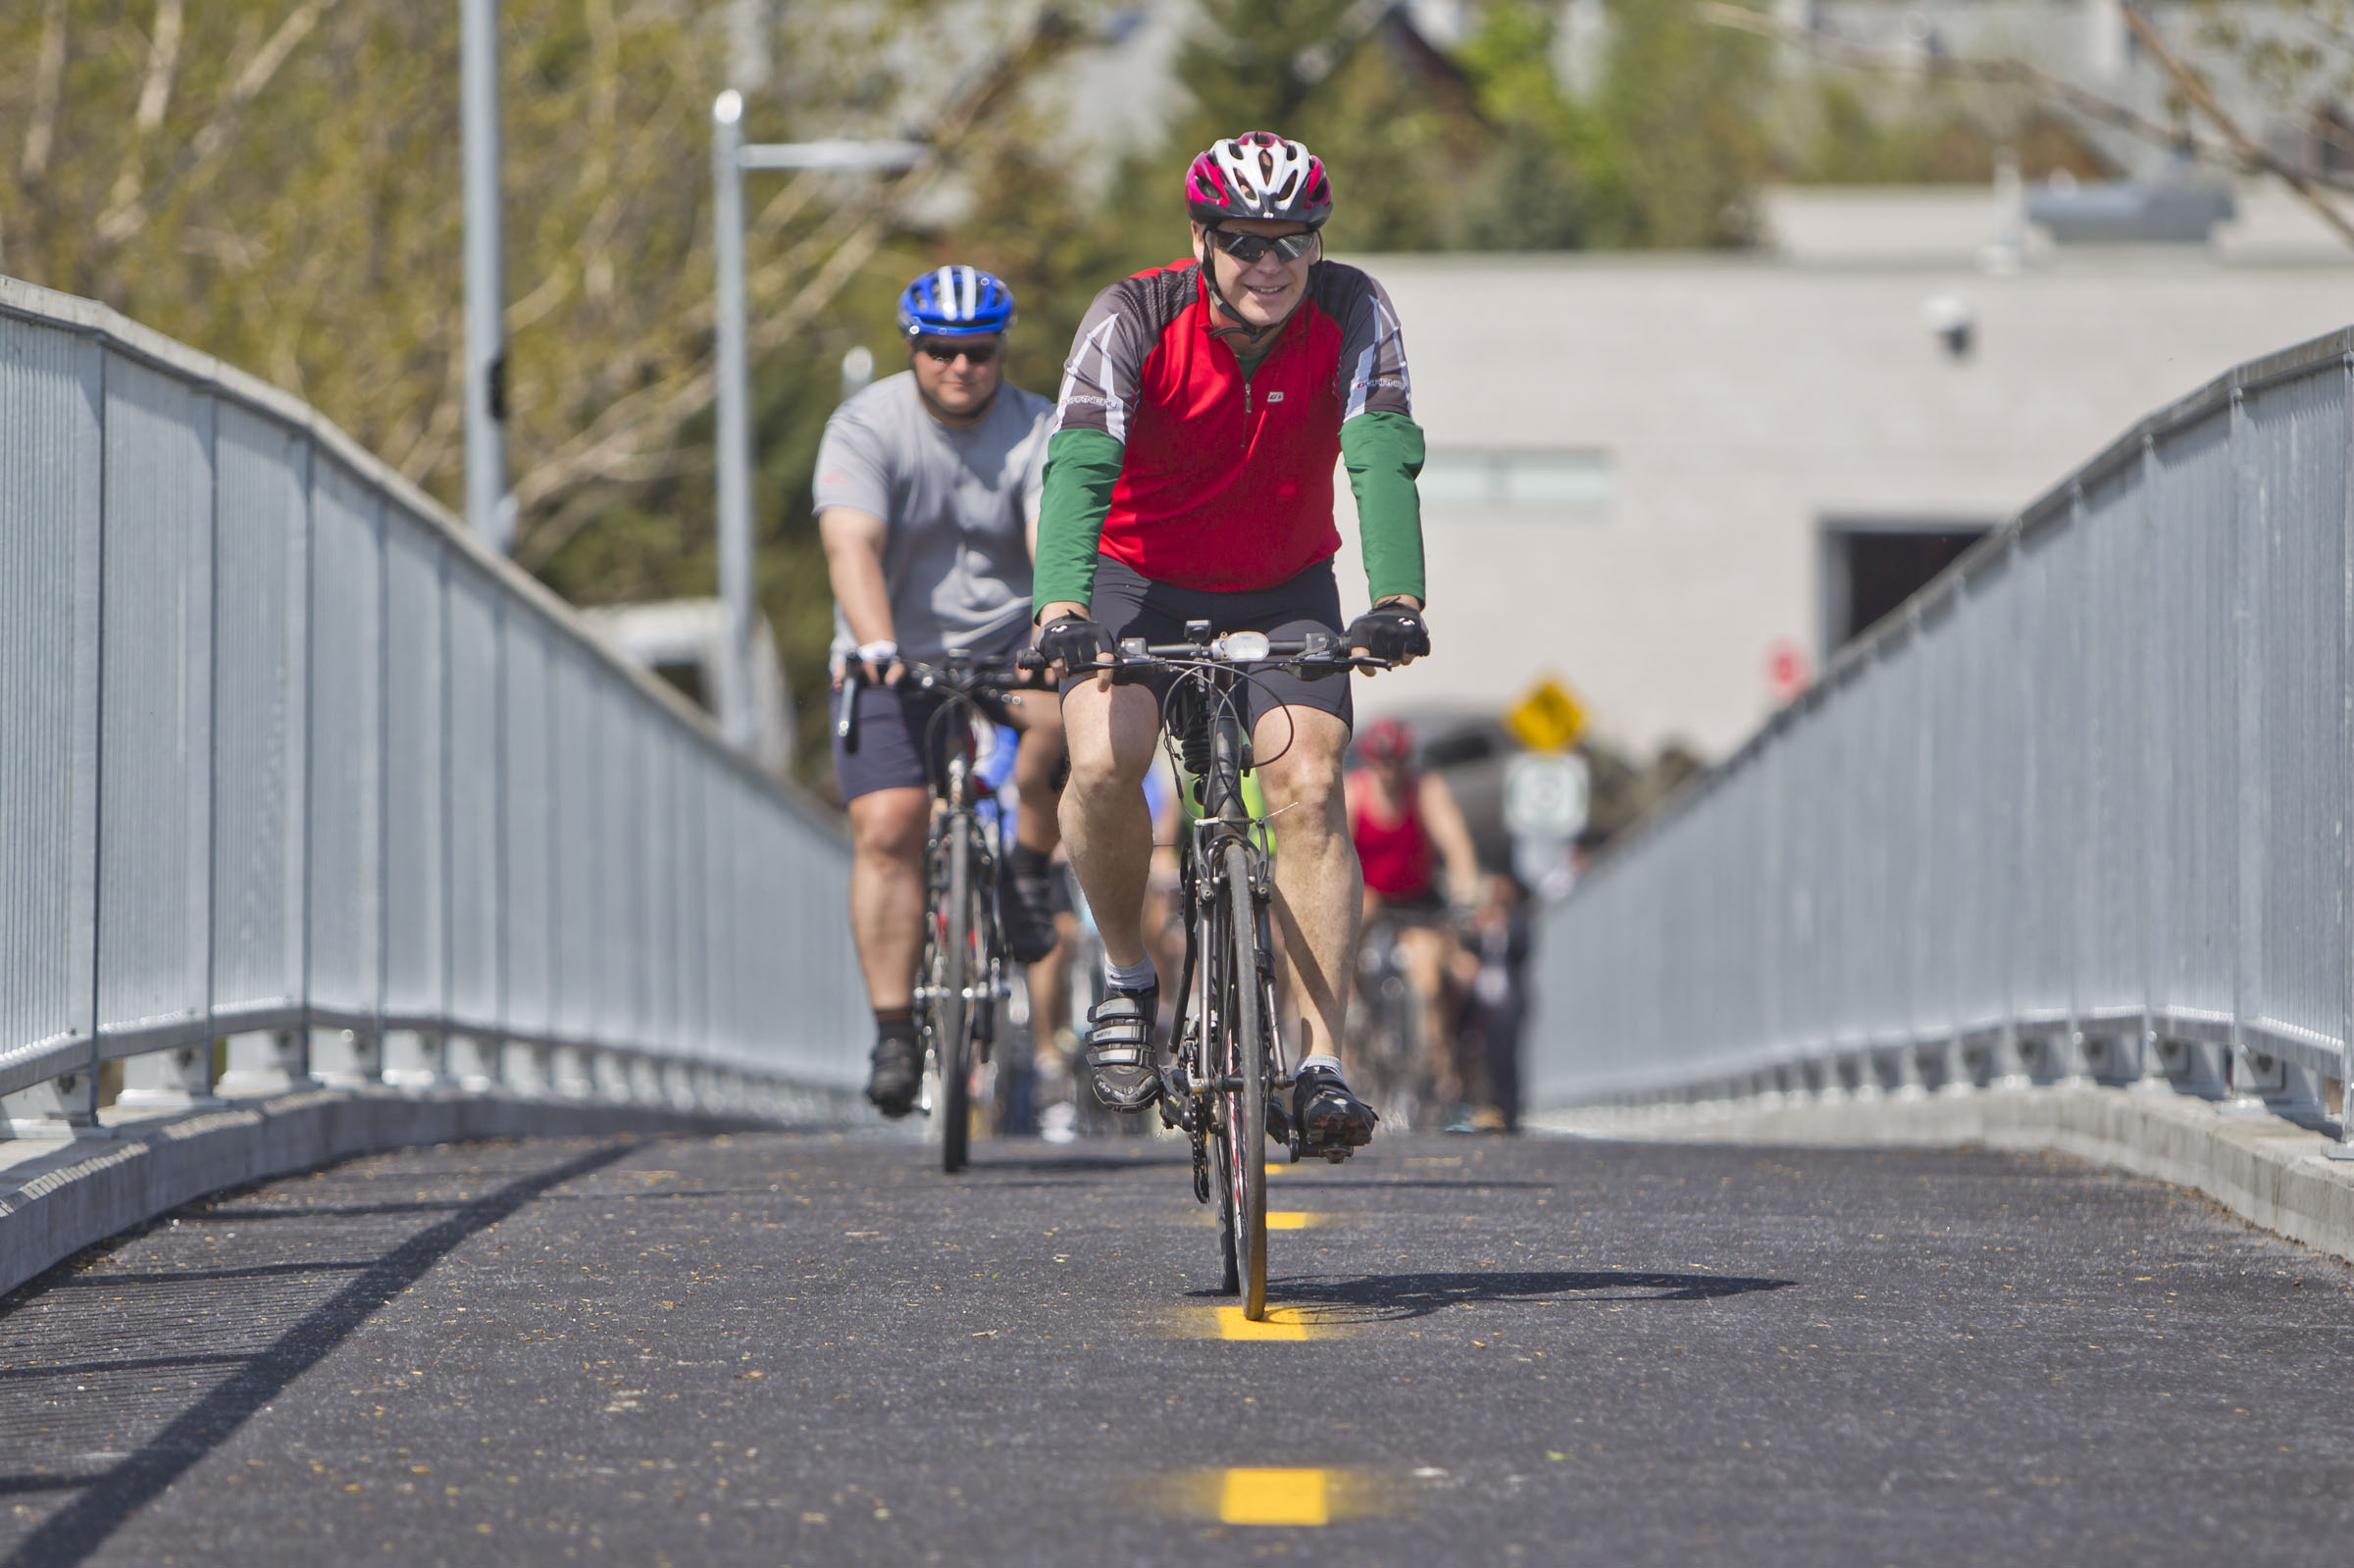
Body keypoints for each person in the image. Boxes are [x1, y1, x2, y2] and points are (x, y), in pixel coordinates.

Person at [1030, 130, 1431, 1156]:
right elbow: (1077, 467)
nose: (1273, 263)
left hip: (1286, 581)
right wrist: (1061, 612)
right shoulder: (1134, 317)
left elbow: (1382, 456)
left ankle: (1317, 1063)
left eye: (1294, 240)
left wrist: (1395, 599)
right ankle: (1126, 975)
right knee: (1106, 755)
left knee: (1309, 783)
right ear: (1201, 240)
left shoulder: (1352, 310)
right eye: (1247, 241)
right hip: (1135, 579)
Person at [820, 265, 1067, 1118]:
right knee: (889, 826)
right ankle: (894, 1032)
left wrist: (1050, 634)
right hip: (892, 651)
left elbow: (1051, 536)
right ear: (913, 349)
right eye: (939, 351)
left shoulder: (1039, 427)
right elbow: (851, 543)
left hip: (1006, 644)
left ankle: (1028, 869)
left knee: (1061, 719)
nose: (959, 368)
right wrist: (878, 642)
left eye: (978, 352)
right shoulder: (865, 424)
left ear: (1001, 351)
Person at [1346, 715, 1482, 1109]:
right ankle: (1351, 1017)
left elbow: (1455, 840)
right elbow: (1337, 850)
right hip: (1371, 896)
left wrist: (1466, 886)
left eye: (1397, 761)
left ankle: (1438, 1068)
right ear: (1370, 761)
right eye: (1381, 761)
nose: (1389, 771)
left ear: (1407, 760)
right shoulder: (1355, 793)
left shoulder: (1424, 788)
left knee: (1428, 976)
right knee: (1349, 933)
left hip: (1417, 900)